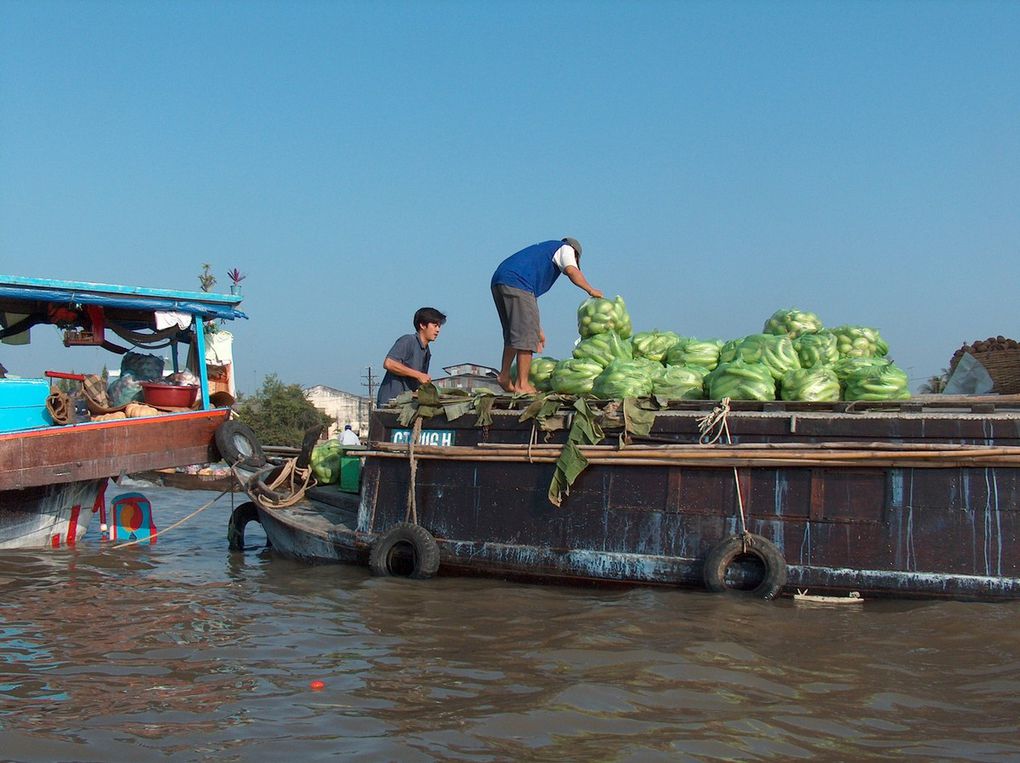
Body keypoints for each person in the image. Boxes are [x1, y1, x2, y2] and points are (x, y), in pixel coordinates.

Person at [491, 237, 603, 394]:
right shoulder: (566, 248)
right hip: (517, 283)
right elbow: (572, 271)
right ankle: (522, 384)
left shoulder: (543, 253)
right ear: (576, 255)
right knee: (525, 337)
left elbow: (529, 305)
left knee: (513, 333)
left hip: (501, 280)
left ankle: (504, 375)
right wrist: (590, 290)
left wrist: (538, 329)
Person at [376, 306, 447, 407]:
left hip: (406, 404)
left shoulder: (427, 352)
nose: (438, 330)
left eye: (439, 326)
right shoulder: (408, 341)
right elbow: (389, 363)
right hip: (390, 403)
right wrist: (418, 375)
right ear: (422, 325)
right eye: (435, 326)